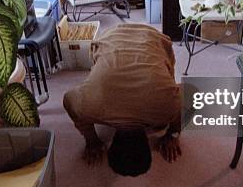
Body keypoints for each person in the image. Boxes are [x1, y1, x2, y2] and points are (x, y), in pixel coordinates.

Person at [63, 24, 182, 176]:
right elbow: (68, 100)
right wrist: (91, 140)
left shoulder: (167, 107)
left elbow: (68, 99)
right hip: (113, 37)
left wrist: (173, 134)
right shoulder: (89, 107)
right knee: (163, 118)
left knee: (164, 114)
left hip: (147, 38)